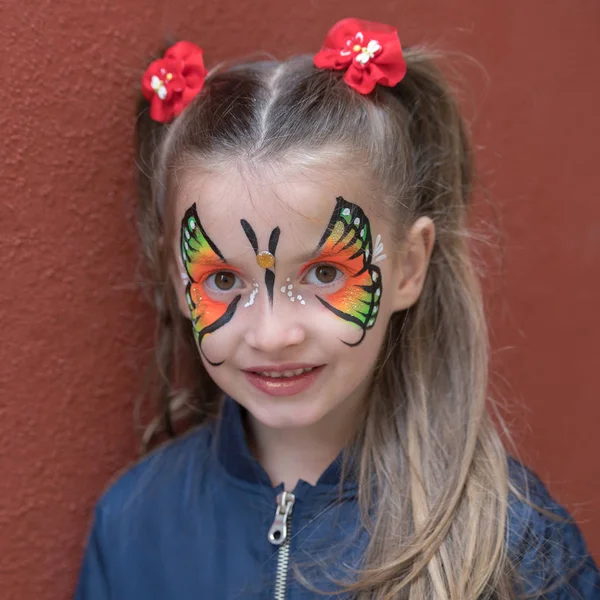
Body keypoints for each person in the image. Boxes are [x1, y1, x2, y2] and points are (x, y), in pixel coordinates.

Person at [74, 17, 599, 600]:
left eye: (325, 273)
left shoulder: (512, 544)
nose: (272, 334)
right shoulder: (133, 526)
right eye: (222, 279)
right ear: (177, 281)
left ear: (407, 266)